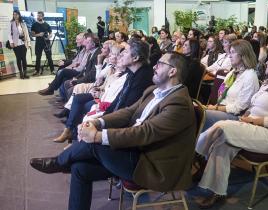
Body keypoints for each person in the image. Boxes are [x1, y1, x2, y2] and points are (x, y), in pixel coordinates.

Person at [30, 52, 197, 210]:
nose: (154, 66)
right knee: (80, 168)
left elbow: (145, 132)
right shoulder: (154, 91)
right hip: (134, 152)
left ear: (172, 71)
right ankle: (66, 162)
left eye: (160, 64)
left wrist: (97, 135)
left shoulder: (179, 104)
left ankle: (59, 162)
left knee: (94, 143)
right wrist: (98, 122)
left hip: (153, 165)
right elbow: (128, 112)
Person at [195, 47, 268, 208]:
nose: (266, 62)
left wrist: (253, 121)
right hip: (255, 128)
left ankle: (197, 151)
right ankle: (218, 192)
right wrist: (246, 117)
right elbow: (253, 105)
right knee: (222, 145)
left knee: (222, 126)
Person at [8, 10, 31, 79]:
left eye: (16, 14)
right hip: (15, 44)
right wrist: (11, 42)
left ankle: (25, 73)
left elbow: (27, 34)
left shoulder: (23, 23)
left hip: (23, 43)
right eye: (14, 14)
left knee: (24, 59)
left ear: (19, 15)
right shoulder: (11, 23)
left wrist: (29, 43)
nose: (15, 16)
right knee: (18, 58)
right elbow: (9, 34)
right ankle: (21, 73)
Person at [31, 11, 54, 75]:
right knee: (38, 57)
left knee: (49, 56)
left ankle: (52, 70)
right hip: (38, 43)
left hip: (46, 43)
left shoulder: (46, 24)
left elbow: (51, 33)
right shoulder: (34, 24)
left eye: (40, 16)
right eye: (38, 16)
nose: (38, 17)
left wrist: (49, 37)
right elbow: (32, 34)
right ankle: (36, 70)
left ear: (43, 16)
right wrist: (38, 34)